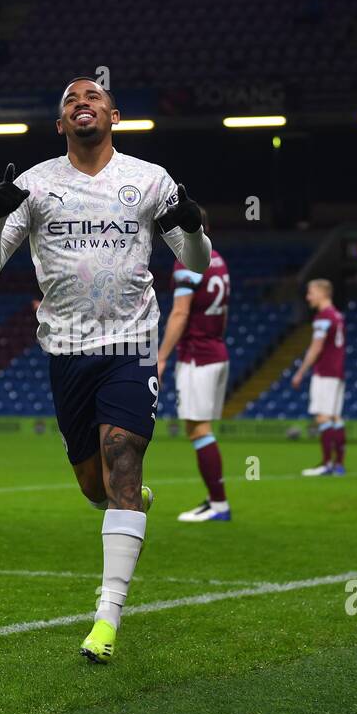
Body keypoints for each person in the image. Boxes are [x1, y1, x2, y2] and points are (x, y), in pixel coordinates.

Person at [0, 76, 211, 663]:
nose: (83, 104)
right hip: (66, 349)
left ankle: (106, 619)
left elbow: (196, 262)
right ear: (60, 125)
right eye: (71, 102)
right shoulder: (32, 184)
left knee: (122, 455)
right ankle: (129, 498)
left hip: (131, 343)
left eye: (94, 98)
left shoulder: (151, 179)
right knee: (94, 486)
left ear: (115, 116)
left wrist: (195, 225)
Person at [156, 223, 231, 522]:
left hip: (198, 356)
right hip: (216, 351)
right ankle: (216, 501)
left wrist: (161, 358)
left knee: (199, 430)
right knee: (200, 430)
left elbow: (181, 312)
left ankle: (219, 505)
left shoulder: (187, 261)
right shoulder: (219, 259)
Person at [291, 279, 347, 476]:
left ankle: (326, 464)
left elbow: (316, 348)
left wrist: (300, 372)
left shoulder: (323, 317)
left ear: (322, 293)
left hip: (325, 372)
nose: (308, 297)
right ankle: (338, 465)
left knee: (323, 417)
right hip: (338, 373)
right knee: (335, 418)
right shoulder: (338, 316)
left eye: (310, 293)